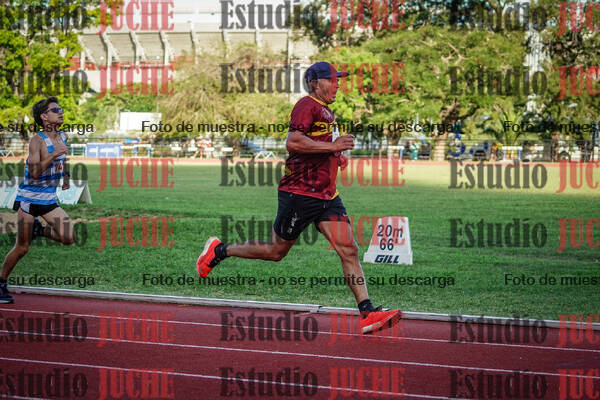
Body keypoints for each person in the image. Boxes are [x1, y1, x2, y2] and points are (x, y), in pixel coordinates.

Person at [196, 62, 401, 334]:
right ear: (315, 83)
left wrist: (335, 155)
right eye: (332, 80)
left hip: (328, 195)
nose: (338, 84)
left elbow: (317, 145)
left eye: (338, 80)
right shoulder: (307, 105)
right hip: (300, 194)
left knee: (349, 249)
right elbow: (293, 141)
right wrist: (333, 146)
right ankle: (220, 250)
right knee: (276, 252)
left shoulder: (326, 111)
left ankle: (367, 313)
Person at [0, 97, 76, 303]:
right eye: (55, 110)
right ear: (44, 117)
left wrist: (65, 176)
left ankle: (38, 230)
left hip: (49, 199)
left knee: (69, 237)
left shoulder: (63, 136)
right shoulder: (37, 141)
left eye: (60, 109)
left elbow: (63, 159)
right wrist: (53, 155)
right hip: (29, 200)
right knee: (22, 248)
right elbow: (34, 172)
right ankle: (1, 283)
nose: (60, 112)